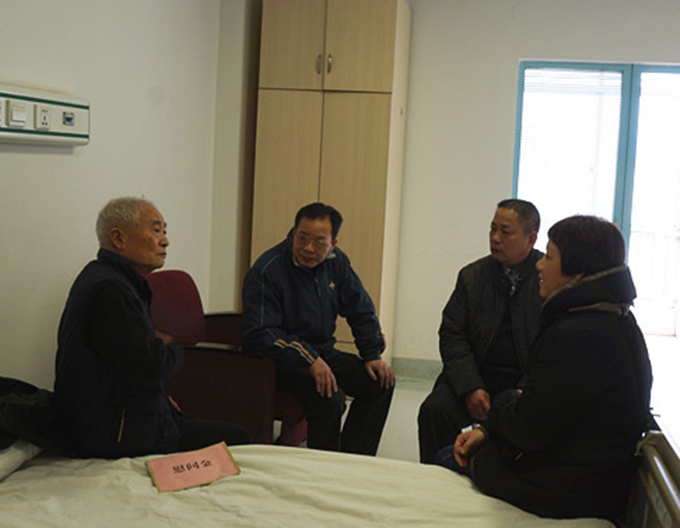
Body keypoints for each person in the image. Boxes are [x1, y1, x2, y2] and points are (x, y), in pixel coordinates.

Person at [443, 215, 653, 520]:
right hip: (592, 477)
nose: (540, 265)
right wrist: (488, 429)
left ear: (577, 271)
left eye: (550, 257)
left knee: (450, 458)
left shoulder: (578, 334)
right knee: (441, 412)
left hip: (568, 491)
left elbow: (527, 430)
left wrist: (500, 407)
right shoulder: (616, 319)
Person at [54, 197, 250, 458]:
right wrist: (172, 347)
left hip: (115, 419)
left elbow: (126, 364)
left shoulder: (106, 277)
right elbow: (149, 365)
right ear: (118, 238)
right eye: (156, 230)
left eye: (164, 231)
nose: (165, 241)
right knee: (239, 440)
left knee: (220, 430)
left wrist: (160, 396)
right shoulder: (112, 292)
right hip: (112, 434)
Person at [242, 202, 395, 455]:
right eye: (302, 238)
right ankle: (325, 467)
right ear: (293, 232)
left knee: (380, 382)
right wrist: (309, 358)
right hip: (280, 364)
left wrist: (372, 354)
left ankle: (354, 460)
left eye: (319, 242)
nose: (308, 248)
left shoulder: (337, 262)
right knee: (330, 398)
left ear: (333, 244)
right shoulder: (267, 270)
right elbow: (260, 334)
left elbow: (360, 308)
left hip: (322, 354)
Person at [418, 199, 542, 464]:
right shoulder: (472, 276)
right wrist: (471, 387)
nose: (495, 238)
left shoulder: (547, 280)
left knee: (519, 420)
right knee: (435, 410)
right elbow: (452, 334)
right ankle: (434, 478)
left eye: (506, 232)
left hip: (522, 385)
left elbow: (551, 348)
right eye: (492, 229)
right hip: (475, 376)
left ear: (531, 239)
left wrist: (524, 389)